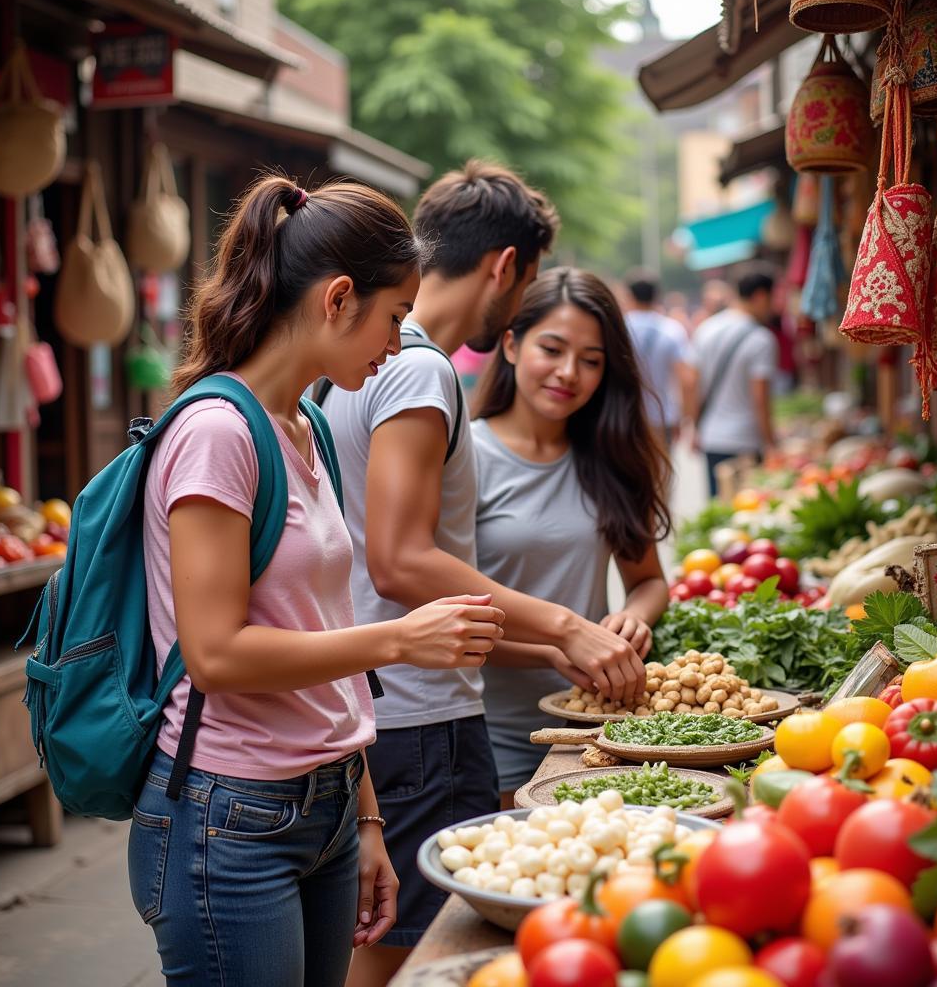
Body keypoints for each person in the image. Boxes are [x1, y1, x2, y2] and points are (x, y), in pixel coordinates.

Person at [129, 175, 506, 987]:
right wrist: (402, 637)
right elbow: (216, 654)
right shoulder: (216, 433)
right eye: (394, 316)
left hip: (328, 805)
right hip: (229, 819)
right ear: (339, 298)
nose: (399, 343)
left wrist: (364, 815)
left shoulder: (306, 428)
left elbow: (321, 638)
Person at [324, 161, 649, 986]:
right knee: (426, 962)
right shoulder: (420, 368)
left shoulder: (358, 363)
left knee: (378, 950)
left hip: (377, 712)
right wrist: (567, 626)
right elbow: (400, 560)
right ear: (507, 268)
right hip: (420, 719)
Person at [474, 267, 671, 806]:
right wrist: (552, 647)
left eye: (591, 361)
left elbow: (649, 580)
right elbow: (442, 609)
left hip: (597, 725)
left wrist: (635, 616)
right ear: (512, 345)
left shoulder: (610, 459)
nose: (568, 373)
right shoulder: (464, 457)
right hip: (488, 733)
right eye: (553, 349)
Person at [688, 265, 779, 498]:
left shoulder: (706, 329)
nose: (774, 307)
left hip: (712, 437)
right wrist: (771, 443)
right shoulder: (761, 339)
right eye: (772, 299)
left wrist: (695, 428)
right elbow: (761, 398)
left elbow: (692, 385)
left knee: (719, 510)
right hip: (745, 442)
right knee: (744, 512)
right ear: (760, 296)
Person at [620, 269, 694, 444]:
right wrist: (684, 418)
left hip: (624, 416)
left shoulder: (618, 327)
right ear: (656, 296)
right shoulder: (672, 329)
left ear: (629, 295)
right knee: (660, 470)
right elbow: (687, 380)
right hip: (663, 417)